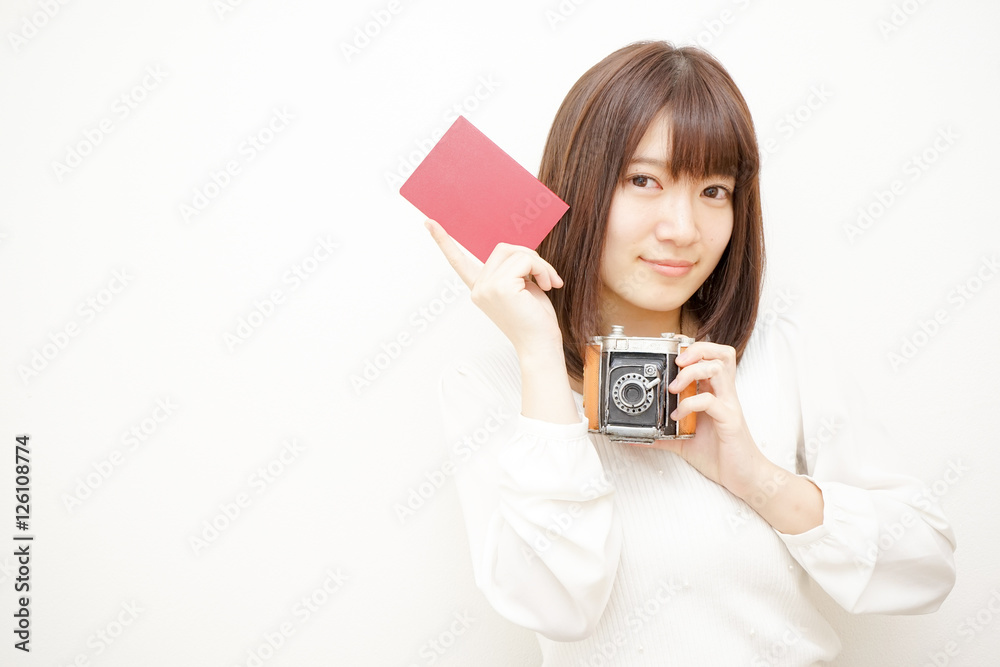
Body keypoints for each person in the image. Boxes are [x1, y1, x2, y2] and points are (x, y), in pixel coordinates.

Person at [423, 41, 956, 665]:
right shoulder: (490, 383)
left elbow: (927, 566)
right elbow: (559, 609)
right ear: (580, 184)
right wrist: (541, 359)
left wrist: (754, 478)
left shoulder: (776, 353)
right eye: (644, 180)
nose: (682, 229)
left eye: (714, 190)